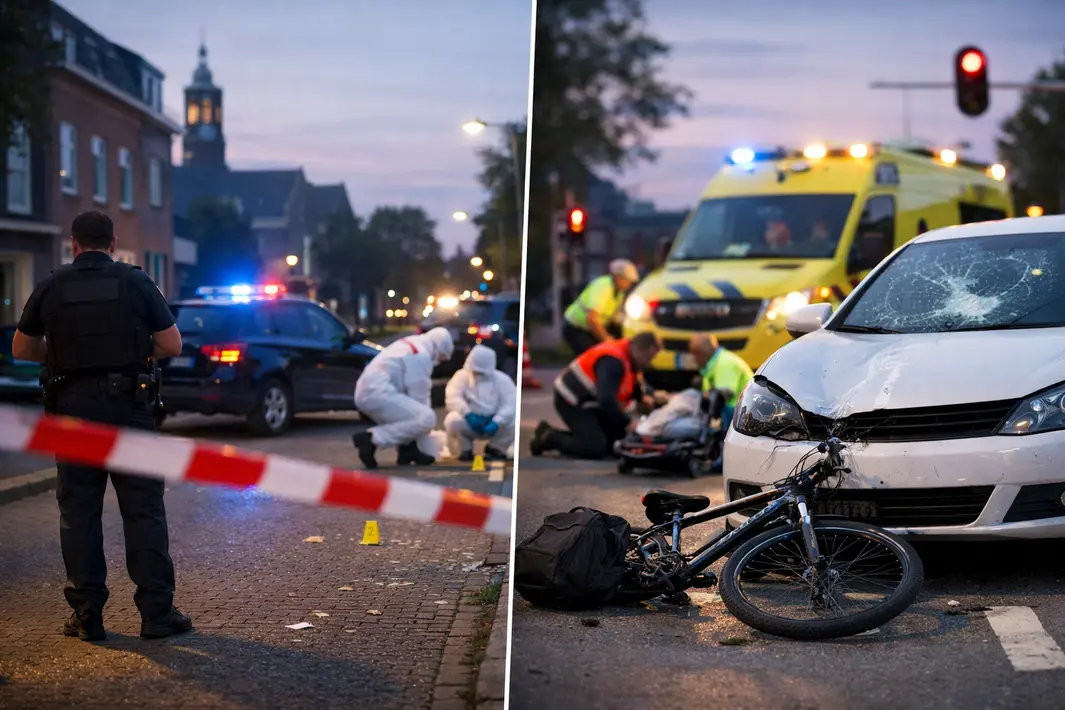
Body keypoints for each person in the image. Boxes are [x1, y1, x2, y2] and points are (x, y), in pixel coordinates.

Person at [11, 210, 191, 642]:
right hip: (130, 409)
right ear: (112, 244)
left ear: (74, 244)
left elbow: (22, 348)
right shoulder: (136, 282)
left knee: (79, 515)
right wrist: (132, 350)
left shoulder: (52, 285)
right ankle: (156, 615)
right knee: (143, 511)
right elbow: (171, 344)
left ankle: (88, 615)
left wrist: (63, 356)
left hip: (73, 411)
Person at [529, 331, 662, 460]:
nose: (649, 363)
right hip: (571, 400)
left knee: (616, 441)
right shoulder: (613, 362)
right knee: (593, 448)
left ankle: (580, 437)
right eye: (648, 358)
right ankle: (548, 436)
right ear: (639, 350)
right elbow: (606, 400)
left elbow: (630, 382)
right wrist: (628, 423)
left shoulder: (628, 356)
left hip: (589, 400)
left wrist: (642, 397)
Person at [351, 326, 454, 469]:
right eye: (441, 357)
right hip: (379, 393)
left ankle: (408, 449)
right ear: (438, 348)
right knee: (426, 418)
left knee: (410, 415)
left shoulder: (412, 344)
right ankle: (371, 439)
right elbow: (419, 396)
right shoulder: (420, 355)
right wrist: (427, 439)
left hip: (369, 392)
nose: (438, 361)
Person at [443, 344, 516, 461]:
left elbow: (510, 404)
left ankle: (496, 448)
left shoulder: (503, 380)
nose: (477, 374)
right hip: (470, 421)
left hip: (494, 424)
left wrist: (497, 421)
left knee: (513, 421)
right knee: (452, 420)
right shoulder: (461, 376)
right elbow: (452, 396)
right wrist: (468, 414)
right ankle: (464, 449)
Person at [562, 258, 640, 356]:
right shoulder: (603, 287)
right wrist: (607, 339)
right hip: (576, 328)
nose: (629, 284)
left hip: (588, 329)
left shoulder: (619, 292)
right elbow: (591, 319)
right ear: (618, 277)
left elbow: (612, 316)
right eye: (627, 280)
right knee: (592, 356)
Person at [688, 333, 754, 427]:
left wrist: (696, 397)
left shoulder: (725, 363)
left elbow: (722, 396)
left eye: (696, 353)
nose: (693, 358)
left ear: (703, 352)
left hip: (738, 417)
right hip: (735, 415)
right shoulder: (715, 363)